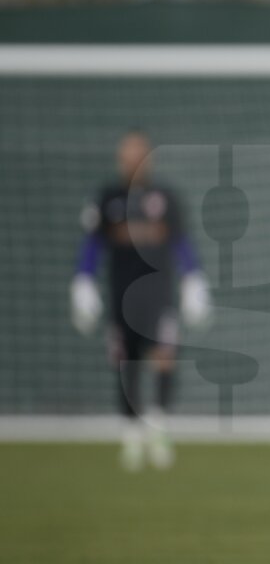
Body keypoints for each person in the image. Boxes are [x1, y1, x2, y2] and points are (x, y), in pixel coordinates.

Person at [71, 131, 211, 470]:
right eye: (128, 155)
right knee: (127, 365)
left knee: (164, 357)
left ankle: (158, 427)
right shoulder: (107, 199)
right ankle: (132, 434)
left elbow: (181, 242)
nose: (133, 162)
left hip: (159, 295)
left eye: (139, 155)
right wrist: (83, 280)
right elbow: (92, 244)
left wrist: (193, 278)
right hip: (122, 295)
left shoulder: (165, 198)